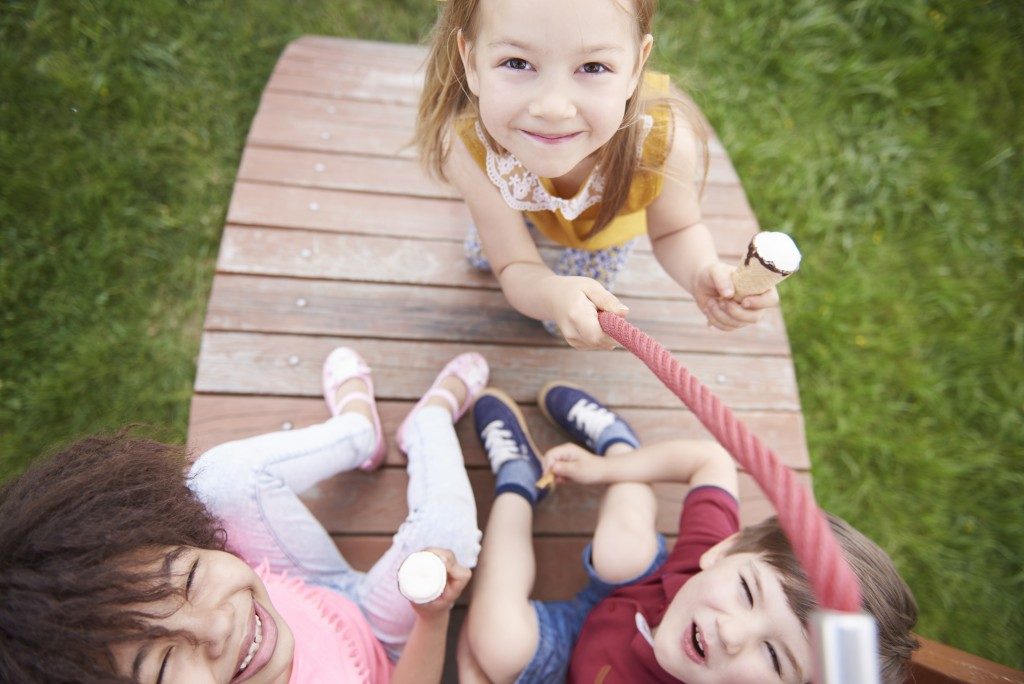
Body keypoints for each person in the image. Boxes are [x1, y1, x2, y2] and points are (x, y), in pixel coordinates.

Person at [0, 347, 489, 684]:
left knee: (217, 481)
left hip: (304, 588)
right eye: (165, 667)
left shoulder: (227, 604)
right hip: (382, 645)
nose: (218, 626)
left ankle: (358, 431)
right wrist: (432, 615)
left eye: (189, 575)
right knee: (445, 534)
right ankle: (430, 422)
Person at [459, 382, 919, 683]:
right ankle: (619, 443)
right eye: (746, 589)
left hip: (577, 664)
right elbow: (710, 461)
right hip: (627, 596)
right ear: (725, 549)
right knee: (623, 551)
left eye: (776, 659)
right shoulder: (709, 559)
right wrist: (607, 468)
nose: (733, 633)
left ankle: (516, 482)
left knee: (495, 642)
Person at [416, 0, 778, 350]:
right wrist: (550, 292)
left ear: (637, 67)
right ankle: (516, 219)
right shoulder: (469, 146)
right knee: (488, 257)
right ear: (472, 61)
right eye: (517, 62)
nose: (553, 108)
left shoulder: (661, 142)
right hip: (522, 201)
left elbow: (676, 229)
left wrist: (701, 271)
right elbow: (514, 264)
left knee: (572, 319)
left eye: (592, 67)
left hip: (601, 229)